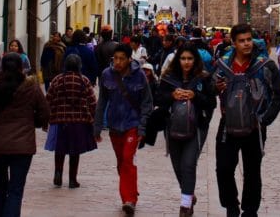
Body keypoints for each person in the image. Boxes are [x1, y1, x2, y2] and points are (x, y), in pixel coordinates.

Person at [213, 23, 280, 217]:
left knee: (252, 171)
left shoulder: (265, 65)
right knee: (223, 168)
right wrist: (216, 88)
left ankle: (250, 210)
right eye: (242, 41)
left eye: (248, 40)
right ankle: (231, 205)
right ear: (233, 43)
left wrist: (265, 119)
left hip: (254, 125)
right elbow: (210, 87)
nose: (246, 44)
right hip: (228, 125)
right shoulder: (222, 64)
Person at [0, 53, 50, 217]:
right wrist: (32, 123)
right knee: (16, 189)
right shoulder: (31, 87)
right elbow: (45, 113)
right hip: (22, 148)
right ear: (22, 68)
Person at [157, 43, 217, 216]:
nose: (186, 62)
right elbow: (159, 99)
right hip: (173, 126)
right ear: (178, 60)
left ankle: (185, 206)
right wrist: (172, 96)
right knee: (178, 166)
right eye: (183, 58)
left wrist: (195, 96)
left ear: (195, 60)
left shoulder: (203, 78)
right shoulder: (168, 77)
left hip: (196, 127)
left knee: (188, 164)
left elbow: (211, 103)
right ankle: (189, 194)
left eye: (190, 58)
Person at [94, 44, 153, 216]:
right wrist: (97, 126)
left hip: (132, 124)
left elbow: (147, 102)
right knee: (121, 161)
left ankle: (129, 200)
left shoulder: (139, 76)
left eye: (121, 58)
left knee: (128, 159)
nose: (118, 62)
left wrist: (142, 127)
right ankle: (131, 190)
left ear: (129, 59)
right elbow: (102, 102)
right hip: (114, 124)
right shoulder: (107, 75)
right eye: (115, 58)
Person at [45, 53, 98, 188]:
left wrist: (47, 118)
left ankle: (58, 172)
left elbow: (48, 100)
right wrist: (93, 119)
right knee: (75, 151)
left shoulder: (57, 80)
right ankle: (72, 179)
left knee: (60, 149)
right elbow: (92, 102)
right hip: (79, 121)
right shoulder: (84, 80)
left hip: (60, 120)